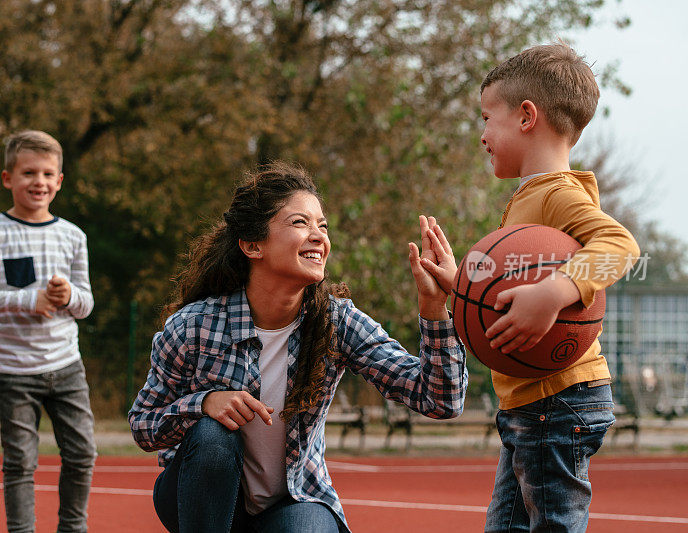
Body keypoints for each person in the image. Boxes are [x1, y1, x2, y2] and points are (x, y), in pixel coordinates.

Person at [128, 162, 468, 533]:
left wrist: (434, 310)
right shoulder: (196, 325)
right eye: (300, 223)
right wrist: (204, 403)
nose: (319, 236)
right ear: (252, 245)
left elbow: (440, 400)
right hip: (200, 502)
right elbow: (144, 425)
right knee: (212, 436)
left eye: (322, 225)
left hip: (293, 501)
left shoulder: (336, 322)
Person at [421, 43, 640, 532]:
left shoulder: (556, 193)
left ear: (526, 117)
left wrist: (557, 291)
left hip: (557, 399)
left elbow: (619, 243)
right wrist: (463, 287)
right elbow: (515, 284)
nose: (482, 135)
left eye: (486, 118)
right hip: (535, 402)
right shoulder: (531, 199)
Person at [0, 130, 96, 533]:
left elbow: (85, 305)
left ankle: (74, 528)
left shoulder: (73, 236)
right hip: (14, 372)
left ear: (59, 181)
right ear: (8, 179)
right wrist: (26, 299)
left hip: (67, 367)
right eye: (28, 172)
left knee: (82, 454)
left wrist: (68, 295)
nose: (39, 181)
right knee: (20, 462)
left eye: (47, 173)